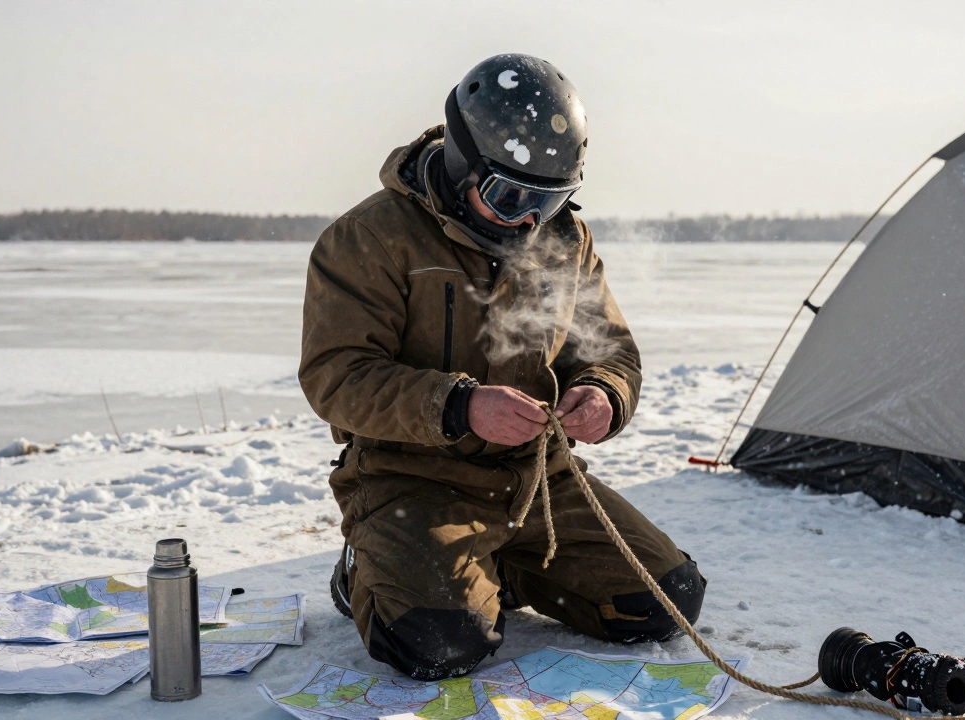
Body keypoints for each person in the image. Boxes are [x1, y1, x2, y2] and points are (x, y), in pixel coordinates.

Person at [299, 53, 705, 681]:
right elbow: (336, 376)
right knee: (438, 643)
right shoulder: (370, 239)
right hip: (413, 478)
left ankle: (503, 567)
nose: (525, 219)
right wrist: (460, 406)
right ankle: (366, 569)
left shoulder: (564, 241)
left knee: (663, 602)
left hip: (538, 481)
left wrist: (603, 393)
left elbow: (612, 351)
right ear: (465, 164)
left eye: (547, 201)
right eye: (510, 195)